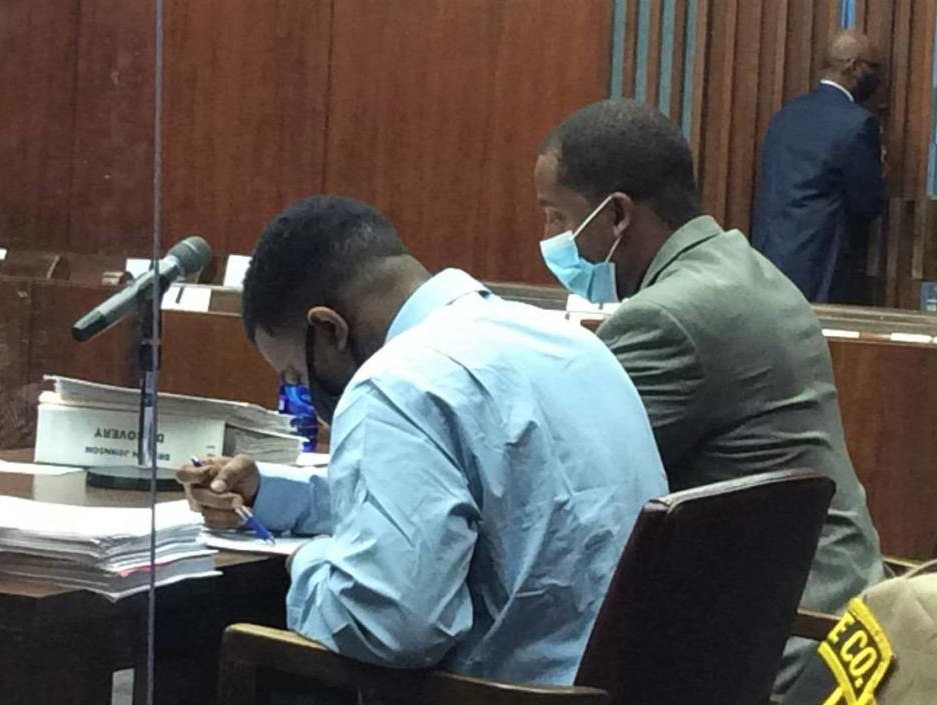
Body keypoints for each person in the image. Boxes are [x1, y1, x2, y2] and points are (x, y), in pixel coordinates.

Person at [178, 195, 667, 685]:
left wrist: (310, 563)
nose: (302, 393)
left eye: (296, 376)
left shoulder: (398, 382)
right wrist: (274, 495)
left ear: (329, 329)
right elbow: (470, 500)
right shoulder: (566, 340)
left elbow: (392, 626)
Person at [534, 98, 886, 691]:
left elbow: (553, 490)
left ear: (617, 214)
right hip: (843, 619)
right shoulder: (746, 268)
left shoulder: (667, 320)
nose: (548, 239)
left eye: (556, 216)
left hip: (772, 649)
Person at [751, 30, 886, 303]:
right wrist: (882, 170)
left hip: (767, 261)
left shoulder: (786, 115)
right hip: (820, 266)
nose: (877, 77)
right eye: (873, 67)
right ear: (853, 65)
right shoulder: (858, 124)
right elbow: (867, 204)